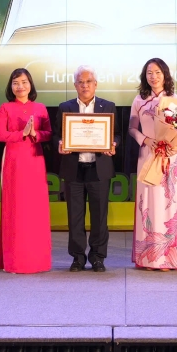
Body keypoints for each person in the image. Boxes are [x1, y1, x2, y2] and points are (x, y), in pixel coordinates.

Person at [56, 65, 117, 272]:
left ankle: (98, 257)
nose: (85, 86)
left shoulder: (108, 106)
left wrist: (114, 144)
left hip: (98, 168)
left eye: (88, 81)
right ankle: (78, 258)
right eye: (80, 82)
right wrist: (60, 143)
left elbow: (117, 134)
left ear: (95, 84)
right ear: (75, 85)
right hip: (73, 168)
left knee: (99, 217)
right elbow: (57, 135)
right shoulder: (65, 107)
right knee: (75, 216)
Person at [129, 58, 177, 270]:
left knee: (170, 204)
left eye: (157, 72)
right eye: (149, 73)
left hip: (171, 156)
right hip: (148, 154)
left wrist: (176, 147)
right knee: (148, 204)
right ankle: (149, 258)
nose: (153, 77)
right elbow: (132, 128)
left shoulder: (176, 99)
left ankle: (170, 258)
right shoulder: (139, 100)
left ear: (165, 74)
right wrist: (145, 140)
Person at [0, 68, 53, 273]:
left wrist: (35, 133)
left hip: (35, 161)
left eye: (24, 82)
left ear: (31, 85)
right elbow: (0, 135)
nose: (20, 86)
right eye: (16, 82)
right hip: (14, 162)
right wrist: (22, 133)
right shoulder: (5, 108)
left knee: (35, 210)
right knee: (16, 208)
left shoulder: (40, 108)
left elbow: (49, 133)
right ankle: (15, 261)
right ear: (10, 86)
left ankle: (37, 260)